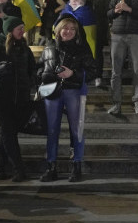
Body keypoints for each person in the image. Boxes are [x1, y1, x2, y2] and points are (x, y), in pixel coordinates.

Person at [39, 16, 99, 182]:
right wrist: (44, 76)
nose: (68, 31)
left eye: (73, 29)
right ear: (59, 30)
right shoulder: (49, 46)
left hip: (73, 91)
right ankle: (51, 167)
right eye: (66, 28)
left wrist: (73, 73)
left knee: (76, 130)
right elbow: (39, 67)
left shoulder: (82, 48)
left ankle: (76, 166)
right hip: (52, 92)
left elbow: (93, 70)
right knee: (52, 130)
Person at [0, 16, 37, 182]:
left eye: (23, 28)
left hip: (20, 97)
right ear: (10, 30)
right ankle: (19, 169)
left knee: (7, 131)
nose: (23, 31)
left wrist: (32, 81)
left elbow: (32, 68)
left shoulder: (24, 47)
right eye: (19, 28)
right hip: (0, 97)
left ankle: (0, 167)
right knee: (9, 132)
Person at [85, 0, 111, 69]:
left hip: (99, 28)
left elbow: (109, 12)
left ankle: (97, 73)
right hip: (86, 27)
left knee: (97, 52)